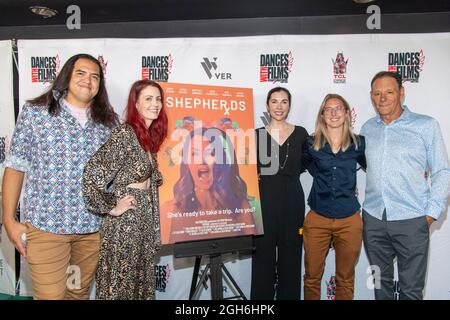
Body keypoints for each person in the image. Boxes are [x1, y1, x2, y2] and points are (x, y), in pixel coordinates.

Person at [1, 53, 118, 300]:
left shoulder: (108, 124)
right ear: (66, 77)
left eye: (95, 76)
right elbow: (15, 167)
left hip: (91, 231)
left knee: (77, 295)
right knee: (50, 297)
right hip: (47, 230)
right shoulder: (37, 114)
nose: (88, 80)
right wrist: (9, 220)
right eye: (81, 73)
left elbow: (116, 175)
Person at [361, 71, 450, 300]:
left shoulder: (426, 125)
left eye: (389, 92)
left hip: (412, 221)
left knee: (411, 291)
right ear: (371, 96)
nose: (383, 98)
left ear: (401, 93)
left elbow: (442, 171)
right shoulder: (367, 128)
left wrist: (430, 214)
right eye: (377, 93)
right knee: (380, 287)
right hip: (374, 222)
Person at [82, 79, 168, 300]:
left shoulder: (147, 139)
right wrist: (112, 206)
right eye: (148, 98)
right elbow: (93, 172)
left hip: (142, 220)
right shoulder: (125, 134)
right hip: (125, 225)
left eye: (158, 99)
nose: (155, 104)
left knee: (139, 284)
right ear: (136, 104)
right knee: (122, 285)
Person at [302, 94, 366, 300]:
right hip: (317, 217)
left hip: (349, 219)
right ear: (322, 115)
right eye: (328, 109)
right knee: (312, 277)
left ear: (347, 113)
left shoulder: (359, 144)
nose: (334, 113)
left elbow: (376, 171)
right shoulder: (311, 143)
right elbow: (295, 168)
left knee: (345, 277)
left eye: (339, 108)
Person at [251, 87, 309, 300]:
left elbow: (308, 163)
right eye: (274, 101)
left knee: (291, 258)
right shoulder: (256, 135)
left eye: (284, 102)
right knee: (262, 259)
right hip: (264, 203)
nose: (279, 106)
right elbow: (248, 170)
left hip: (292, 202)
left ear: (289, 106)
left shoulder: (301, 133)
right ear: (267, 105)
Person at [161, 126, 261, 244]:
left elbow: (250, 244)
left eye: (211, 153)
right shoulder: (168, 210)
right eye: (194, 153)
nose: (202, 160)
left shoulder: (244, 206)